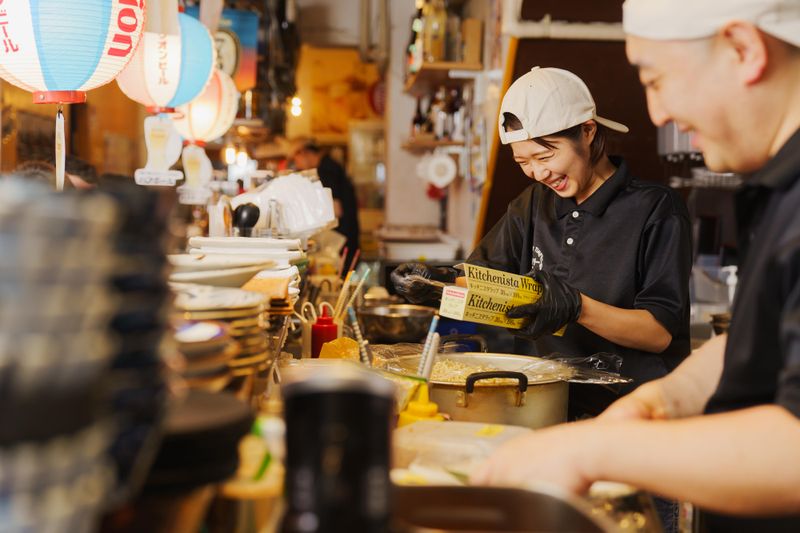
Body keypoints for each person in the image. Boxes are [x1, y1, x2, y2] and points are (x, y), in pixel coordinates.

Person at [472, 1, 800, 531]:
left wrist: (598, 450)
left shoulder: (660, 210)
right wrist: (660, 400)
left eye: (657, 78)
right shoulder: (776, 189)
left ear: (744, 50)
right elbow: (755, 344)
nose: (657, 115)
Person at [393, 67, 693, 420]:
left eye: (545, 156)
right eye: (523, 161)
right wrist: (438, 284)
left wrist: (576, 306)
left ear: (587, 132)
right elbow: (487, 279)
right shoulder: (534, 203)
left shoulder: (656, 209)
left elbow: (657, 332)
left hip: (631, 412)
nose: (537, 173)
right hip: (542, 403)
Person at [291, 139, 360, 270]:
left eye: (296, 159)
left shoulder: (326, 169)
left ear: (304, 153)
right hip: (344, 239)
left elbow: (336, 209)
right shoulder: (328, 165)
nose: (297, 165)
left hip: (342, 242)